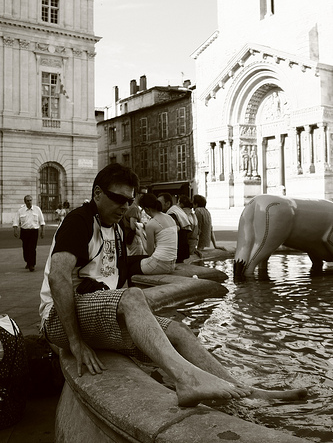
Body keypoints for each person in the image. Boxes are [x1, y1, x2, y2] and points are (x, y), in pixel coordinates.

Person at [39, 163, 307, 407]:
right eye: (118, 199)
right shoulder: (80, 220)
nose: (124, 206)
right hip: (60, 319)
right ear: (97, 193)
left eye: (129, 200)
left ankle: (246, 392)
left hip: (95, 316)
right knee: (133, 297)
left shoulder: (117, 229)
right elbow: (58, 276)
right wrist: (74, 342)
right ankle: (186, 380)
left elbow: (116, 278)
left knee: (178, 330)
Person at [127, 193, 178, 277]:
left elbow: (149, 252)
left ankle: (134, 290)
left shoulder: (151, 224)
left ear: (147, 209)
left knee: (130, 268)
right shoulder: (170, 218)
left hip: (159, 264)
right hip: (171, 263)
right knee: (130, 260)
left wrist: (140, 234)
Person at [13, 195, 45, 272]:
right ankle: (28, 261)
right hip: (24, 231)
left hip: (34, 231)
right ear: (25, 201)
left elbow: (42, 221)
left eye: (30, 200)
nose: (29, 202)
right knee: (25, 248)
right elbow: (16, 221)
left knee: (32, 248)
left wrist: (42, 231)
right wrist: (15, 230)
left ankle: (32, 265)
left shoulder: (37, 209)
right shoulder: (21, 210)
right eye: (28, 201)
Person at [157, 192, 191, 263]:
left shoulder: (171, 213)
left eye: (160, 203)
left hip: (178, 249)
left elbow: (175, 230)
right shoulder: (176, 210)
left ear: (168, 203)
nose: (157, 205)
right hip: (183, 248)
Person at [121, 189, 147, 256]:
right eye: (143, 193)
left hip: (129, 237)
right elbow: (133, 226)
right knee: (136, 257)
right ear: (138, 194)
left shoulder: (132, 206)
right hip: (133, 238)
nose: (145, 196)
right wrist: (144, 227)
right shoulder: (134, 208)